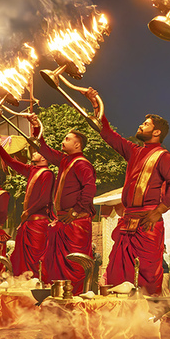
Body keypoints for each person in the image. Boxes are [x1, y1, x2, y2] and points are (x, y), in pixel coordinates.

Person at [84, 91, 170, 294]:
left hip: (148, 222)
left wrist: (159, 210)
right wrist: (97, 107)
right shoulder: (134, 151)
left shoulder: (163, 157)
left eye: (146, 124)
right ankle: (120, 310)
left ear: (156, 132)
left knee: (147, 273)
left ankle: (148, 311)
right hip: (128, 221)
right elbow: (109, 135)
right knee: (118, 271)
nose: (140, 125)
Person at [33, 117, 97, 293]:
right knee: (56, 266)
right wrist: (36, 127)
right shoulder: (64, 160)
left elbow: (90, 189)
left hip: (75, 222)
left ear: (77, 145)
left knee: (74, 264)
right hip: (63, 221)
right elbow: (44, 149)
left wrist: (76, 212)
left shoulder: (82, 164)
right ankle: (59, 298)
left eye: (67, 139)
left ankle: (76, 300)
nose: (63, 141)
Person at [0, 136, 54, 278]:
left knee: (35, 261)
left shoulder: (48, 174)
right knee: (21, 262)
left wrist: (28, 212)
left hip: (38, 223)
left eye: (37, 152)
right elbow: (11, 162)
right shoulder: (32, 170)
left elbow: (44, 199)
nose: (33, 153)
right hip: (28, 222)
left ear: (44, 158)